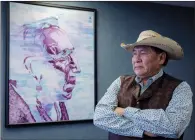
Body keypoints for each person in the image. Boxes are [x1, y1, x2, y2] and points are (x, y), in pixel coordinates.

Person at [93, 30, 193, 140]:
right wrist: (142, 131)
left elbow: (174, 128)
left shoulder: (181, 88)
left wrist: (124, 111)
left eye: (143, 53)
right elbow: (99, 117)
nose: (136, 59)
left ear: (161, 58)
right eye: (134, 53)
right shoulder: (120, 81)